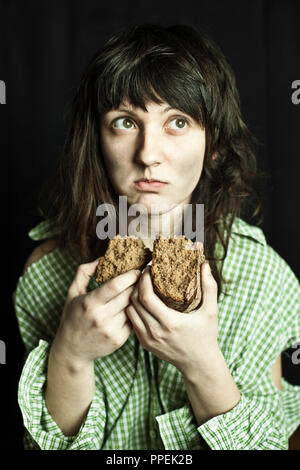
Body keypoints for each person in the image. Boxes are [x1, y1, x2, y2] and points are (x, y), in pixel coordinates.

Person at [13, 23, 300, 450]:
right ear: (96, 139)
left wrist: (202, 364)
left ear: (214, 145)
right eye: (125, 122)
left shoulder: (263, 277)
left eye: (178, 122)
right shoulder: (46, 273)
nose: (148, 154)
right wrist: (69, 356)